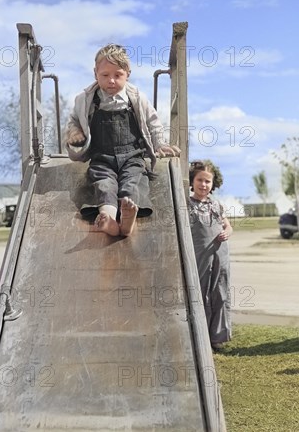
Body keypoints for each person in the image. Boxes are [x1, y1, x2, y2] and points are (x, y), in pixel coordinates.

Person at [65, 43, 180, 237]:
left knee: (133, 181)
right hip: (101, 157)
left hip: (132, 155)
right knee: (103, 184)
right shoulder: (85, 99)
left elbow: (153, 122)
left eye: (117, 75)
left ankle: (127, 220)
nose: (111, 81)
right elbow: (73, 120)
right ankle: (108, 219)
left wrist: (159, 143)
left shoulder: (136, 98)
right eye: (105, 75)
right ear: (95, 74)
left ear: (128, 74)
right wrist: (75, 132)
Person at [188, 160, 233, 351]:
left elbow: (228, 225)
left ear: (213, 184)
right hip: (200, 256)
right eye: (200, 180)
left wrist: (228, 231)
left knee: (220, 294)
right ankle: (202, 338)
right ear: (192, 181)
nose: (203, 185)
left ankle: (218, 337)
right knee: (202, 294)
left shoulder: (216, 204)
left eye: (208, 181)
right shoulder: (186, 203)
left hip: (221, 256)